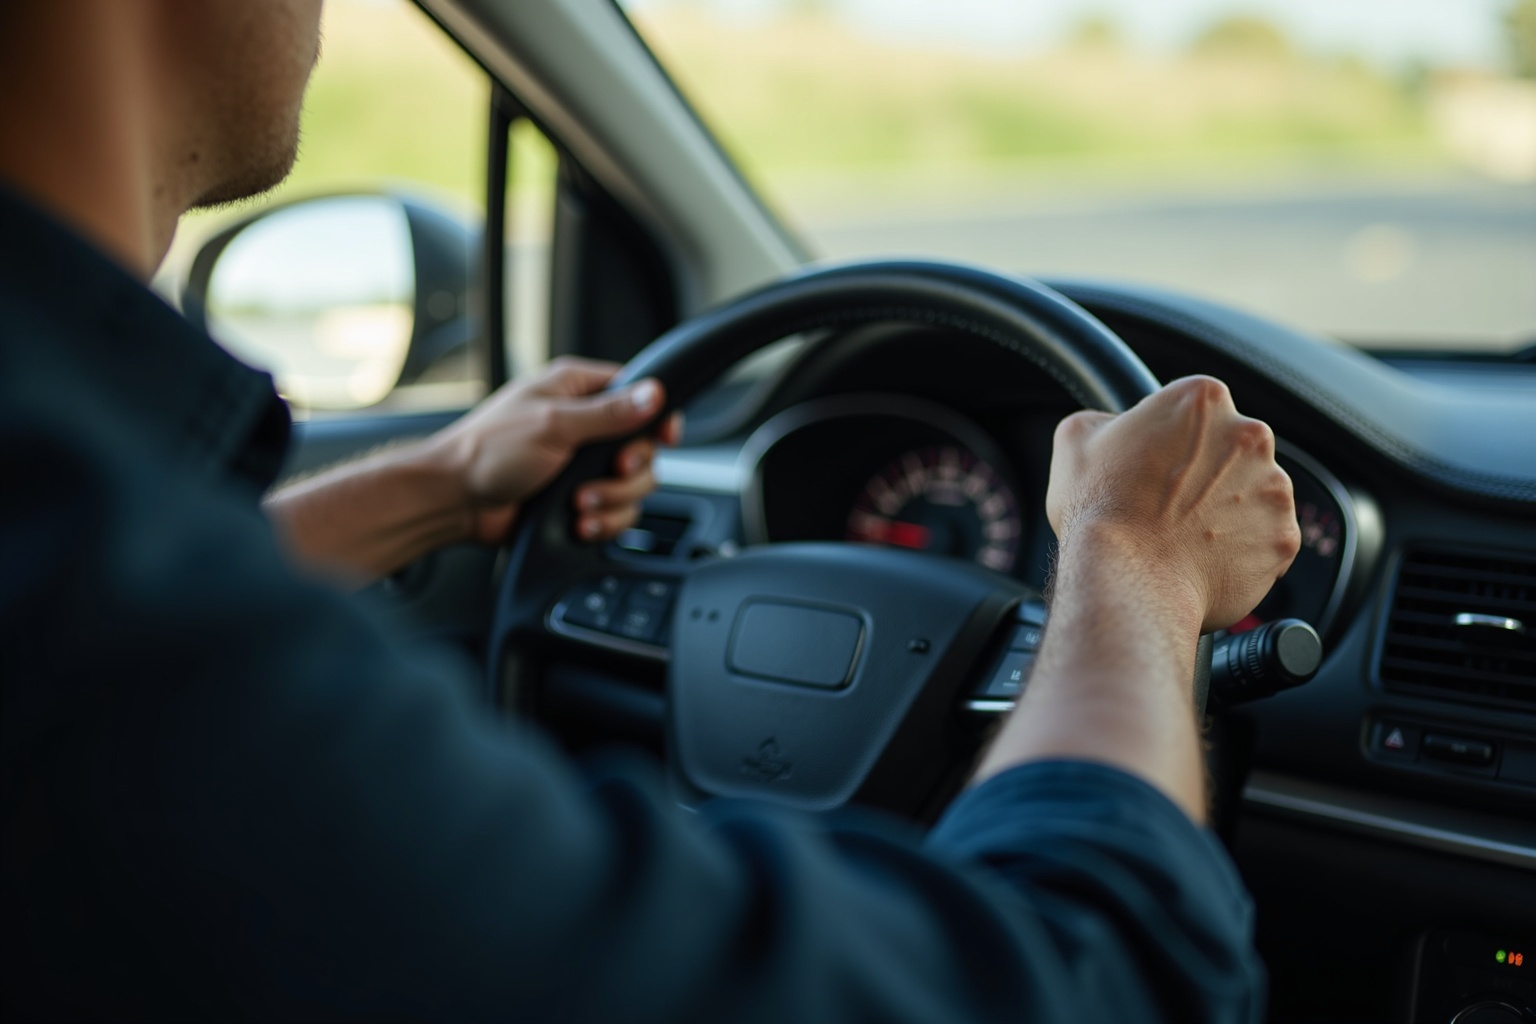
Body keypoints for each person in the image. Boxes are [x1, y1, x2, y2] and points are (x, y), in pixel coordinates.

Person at [0, 2, 1301, 1021]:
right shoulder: (127, 699)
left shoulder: (71, 582)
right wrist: (1137, 564)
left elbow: (121, 610)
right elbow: (1082, 979)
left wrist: (441, 485)